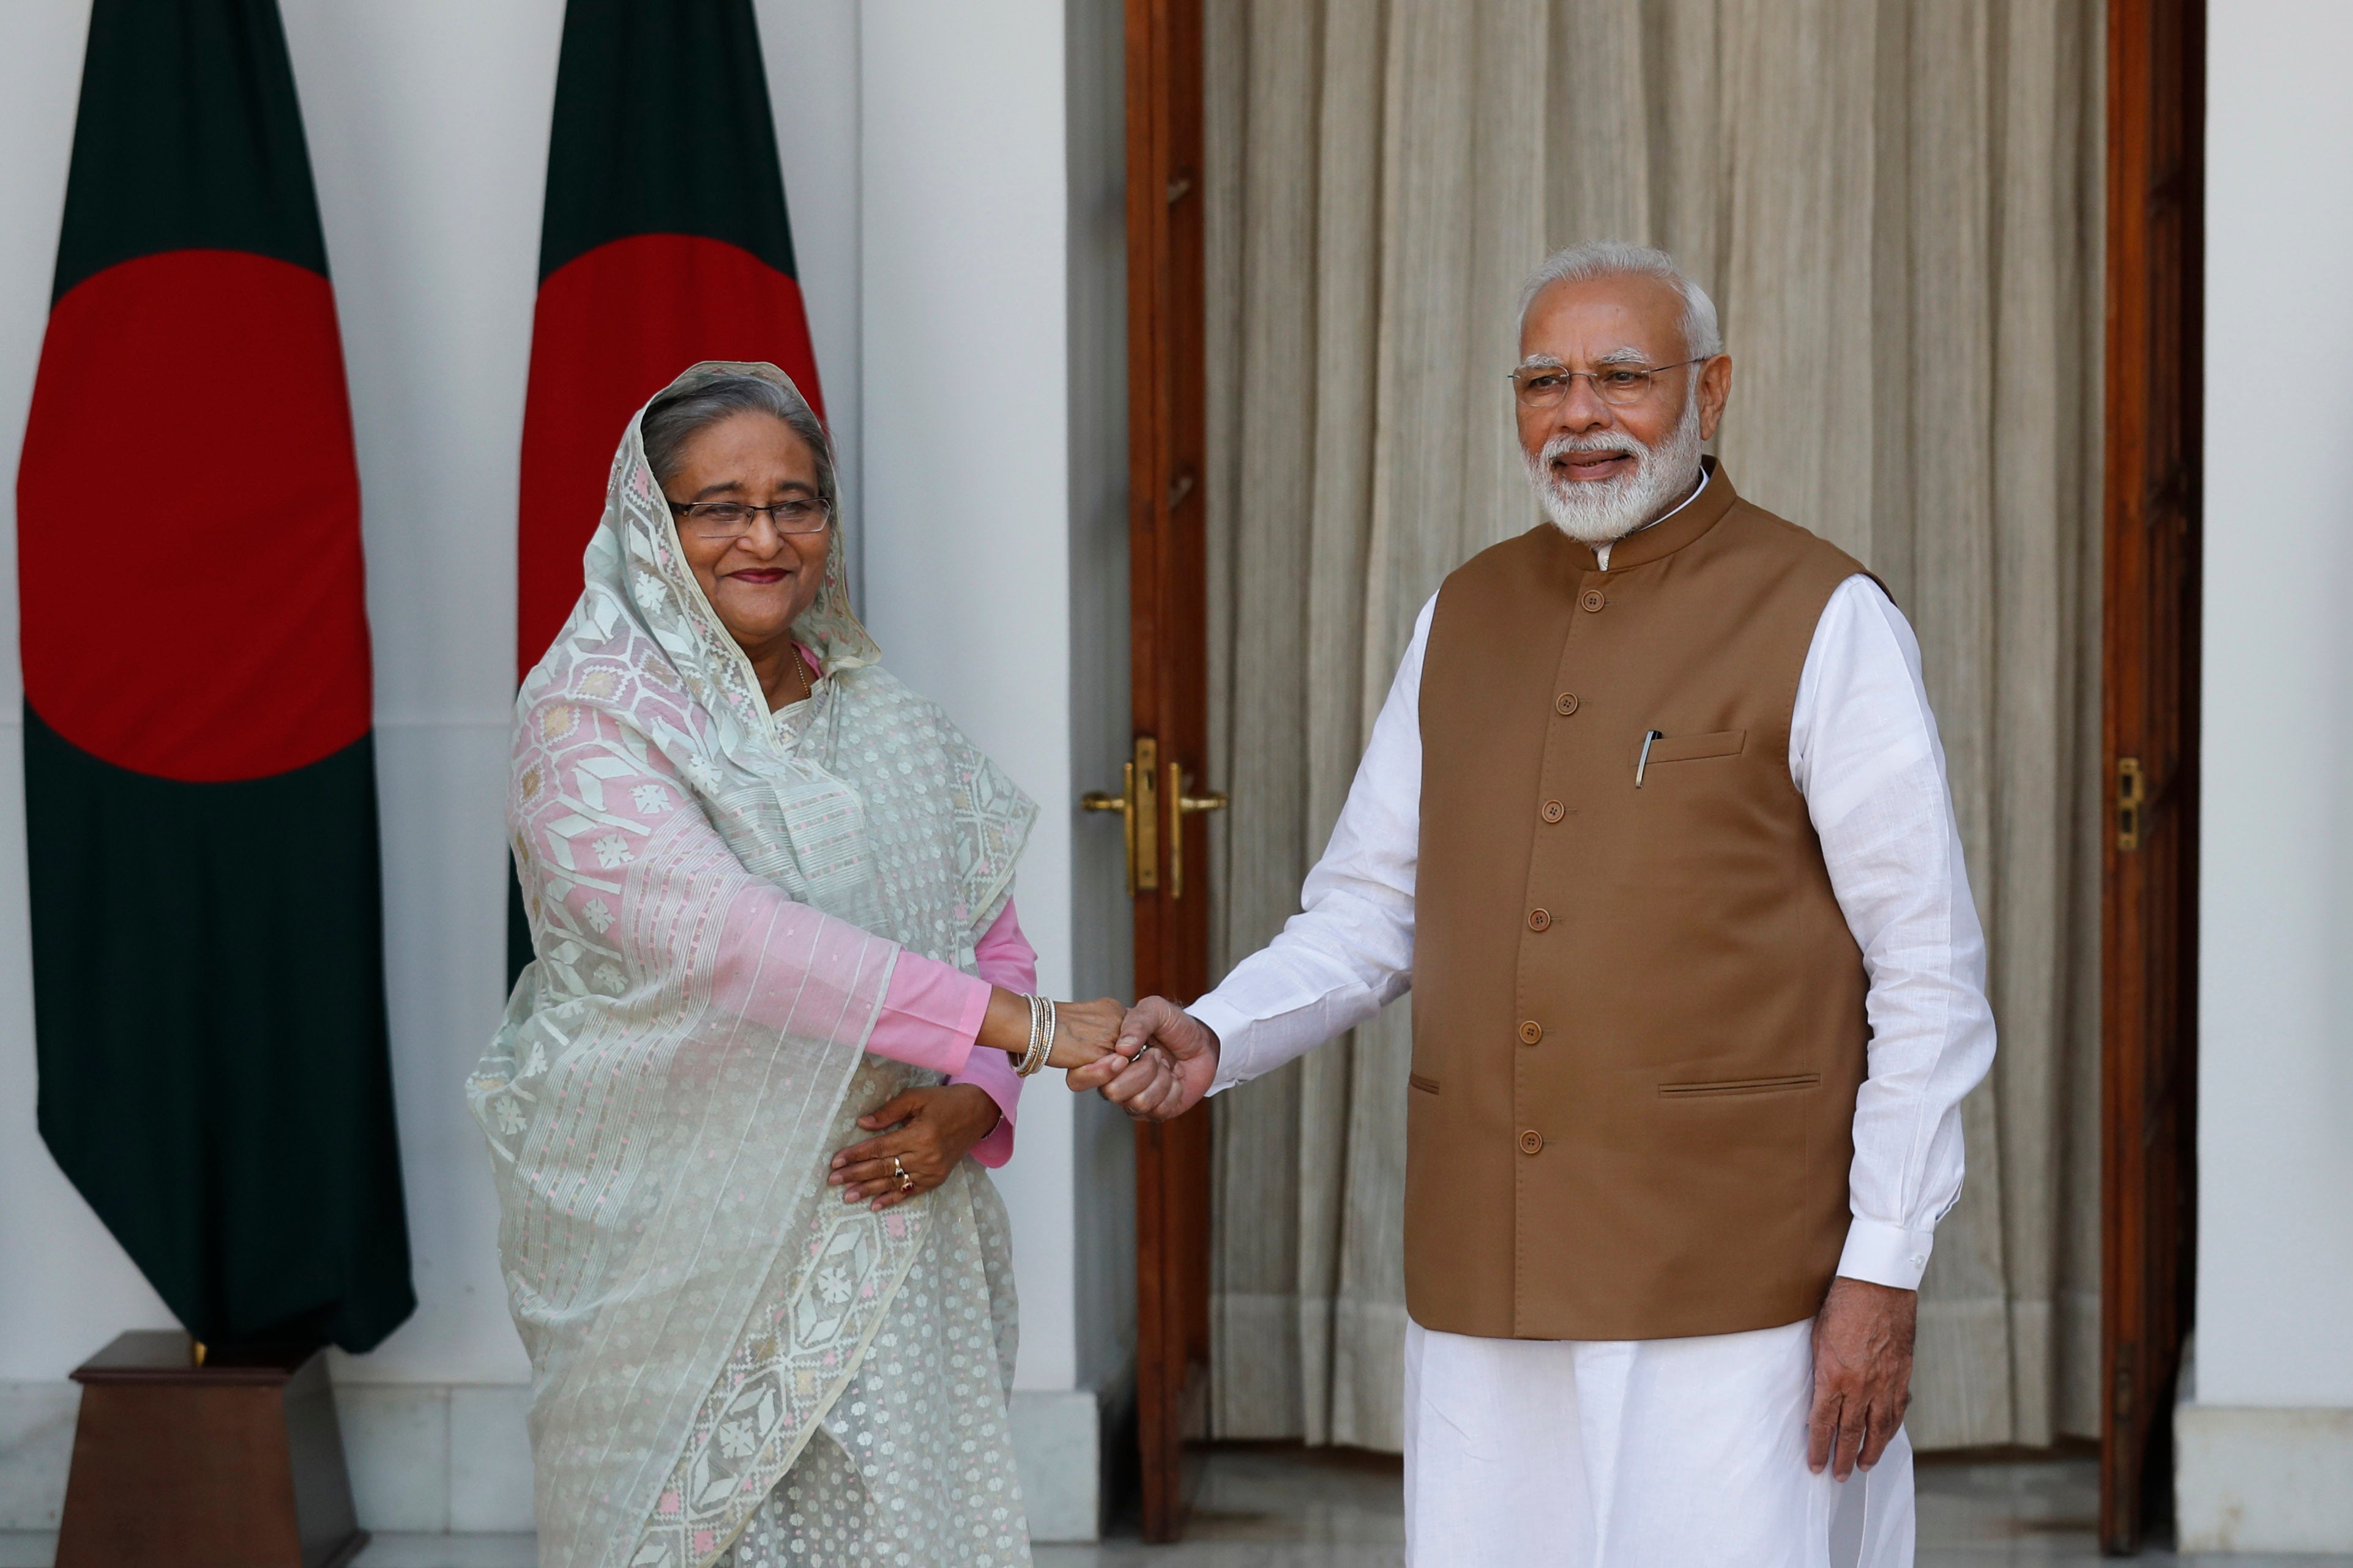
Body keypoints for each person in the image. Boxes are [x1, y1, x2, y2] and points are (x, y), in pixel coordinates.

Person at [1078, 243, 1997, 1566]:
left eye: (1623, 376)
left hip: (1735, 1277)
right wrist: (1218, 1032)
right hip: (1484, 1267)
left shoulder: (1825, 614)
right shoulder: (1463, 612)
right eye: (1545, 381)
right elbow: (1365, 910)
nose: (1580, 414)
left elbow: (1928, 971)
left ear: (1712, 389)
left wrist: (1885, 1265)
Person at [472, 362, 1121, 1568]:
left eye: (796, 502)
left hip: (890, 1233)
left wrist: (980, 1093)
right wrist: (1026, 1027)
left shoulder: (886, 714)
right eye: (717, 506)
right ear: (649, 529)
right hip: (670, 1265)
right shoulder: (590, 721)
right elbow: (734, 942)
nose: (763, 536)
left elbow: (988, 927)